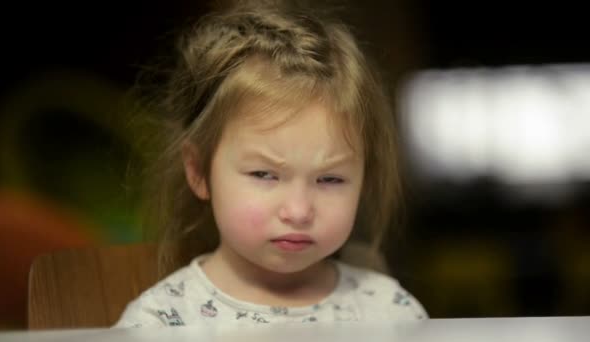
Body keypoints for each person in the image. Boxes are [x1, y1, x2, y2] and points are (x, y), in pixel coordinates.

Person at [115, 1, 426, 328]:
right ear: (198, 171)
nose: (298, 210)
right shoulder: (160, 323)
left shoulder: (390, 313)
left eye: (330, 179)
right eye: (264, 174)